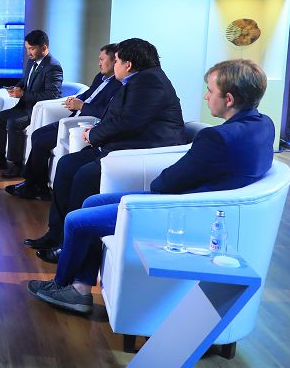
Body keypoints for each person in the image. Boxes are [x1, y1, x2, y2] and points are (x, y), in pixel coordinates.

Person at [28, 59, 275, 314]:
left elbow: (165, 184)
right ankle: (80, 288)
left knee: (76, 221)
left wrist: (164, 180)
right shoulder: (264, 124)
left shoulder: (216, 138)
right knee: (91, 202)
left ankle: (62, 284)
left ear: (229, 99)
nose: (206, 96)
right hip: (199, 203)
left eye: (210, 91)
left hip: (180, 211)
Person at [24, 38, 185, 264]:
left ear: (128, 64)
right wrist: (95, 133)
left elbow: (128, 123)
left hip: (138, 153)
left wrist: (93, 135)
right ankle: (57, 233)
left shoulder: (149, 82)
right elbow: (121, 119)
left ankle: (71, 247)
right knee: (67, 165)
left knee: (83, 175)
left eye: (116, 60)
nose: (114, 64)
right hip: (121, 146)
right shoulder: (140, 80)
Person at [5, 44, 122, 200]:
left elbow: (106, 112)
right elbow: (89, 93)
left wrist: (82, 106)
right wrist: (76, 99)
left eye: (102, 59)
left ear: (114, 61)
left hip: (83, 124)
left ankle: (35, 187)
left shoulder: (119, 85)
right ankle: (35, 184)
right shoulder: (100, 77)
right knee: (37, 134)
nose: (99, 63)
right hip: (74, 117)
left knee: (41, 140)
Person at [0, 29, 63, 176]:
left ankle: (17, 165)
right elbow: (25, 81)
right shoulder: (32, 62)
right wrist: (17, 87)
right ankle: (0, 159)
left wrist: (23, 94)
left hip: (35, 110)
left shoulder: (53, 67)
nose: (28, 53)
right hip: (24, 106)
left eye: (32, 49)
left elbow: (52, 95)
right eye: (27, 49)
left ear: (44, 47)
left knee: (13, 122)